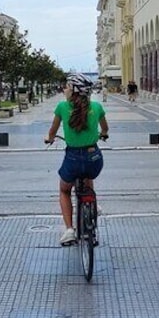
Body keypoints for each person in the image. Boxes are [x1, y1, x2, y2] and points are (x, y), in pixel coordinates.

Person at [44, 72, 109, 246]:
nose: (64, 89)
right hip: (94, 157)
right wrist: (103, 134)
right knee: (88, 175)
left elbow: (52, 130)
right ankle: (93, 205)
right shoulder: (96, 107)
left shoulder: (62, 107)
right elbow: (105, 128)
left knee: (65, 190)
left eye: (67, 86)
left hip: (73, 157)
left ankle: (69, 231)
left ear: (73, 90)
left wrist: (49, 138)